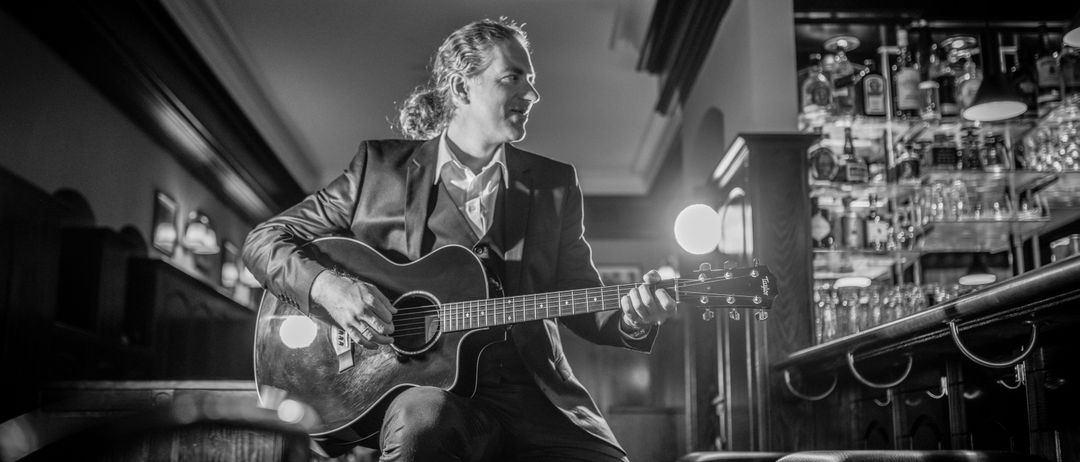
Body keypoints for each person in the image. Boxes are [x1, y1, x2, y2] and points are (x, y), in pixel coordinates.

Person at [242, 17, 676, 462]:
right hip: (426, 396)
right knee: (422, 425)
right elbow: (264, 240)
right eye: (513, 77)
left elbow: (582, 295)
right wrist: (328, 287)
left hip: (535, 396)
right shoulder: (377, 170)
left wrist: (634, 318)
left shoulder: (553, 183)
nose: (532, 94)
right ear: (462, 88)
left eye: (531, 79)